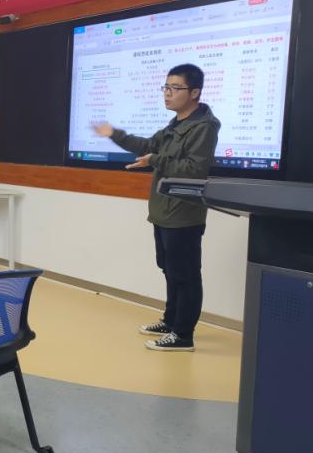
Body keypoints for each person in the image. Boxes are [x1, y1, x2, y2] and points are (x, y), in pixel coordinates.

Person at [93, 63, 220, 353]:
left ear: (195, 92)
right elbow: (148, 145)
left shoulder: (204, 127)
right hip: (164, 211)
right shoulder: (174, 125)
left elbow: (194, 169)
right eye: (166, 87)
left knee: (185, 275)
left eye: (175, 88)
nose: (167, 93)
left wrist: (155, 160)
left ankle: (183, 335)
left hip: (183, 214)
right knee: (170, 270)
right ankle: (171, 321)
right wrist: (114, 133)